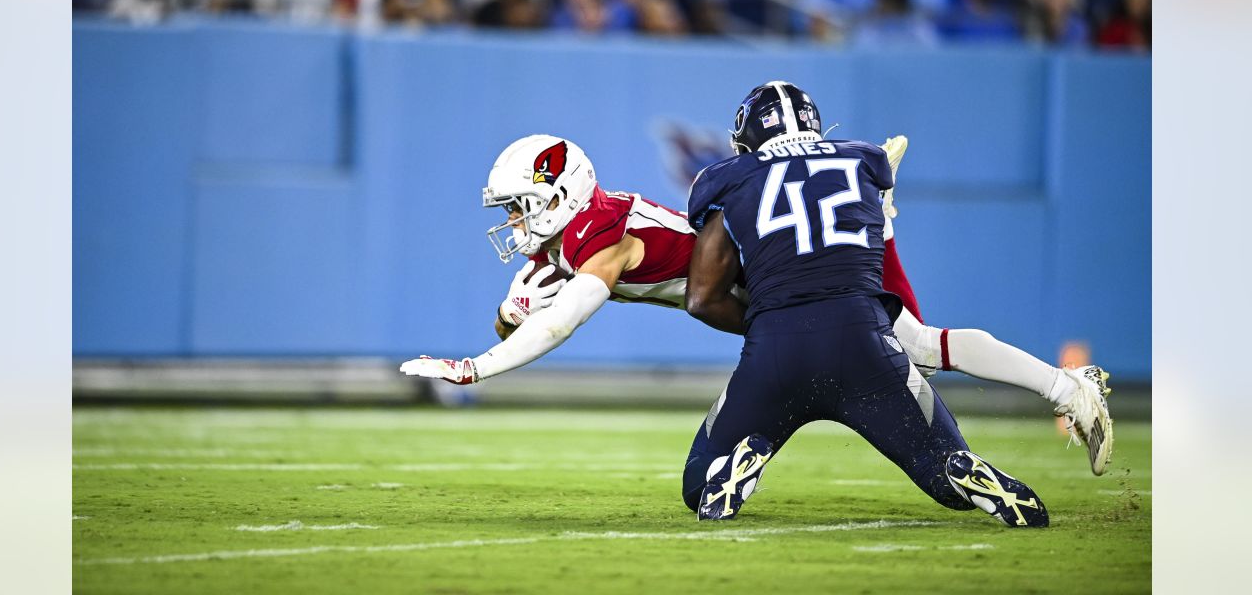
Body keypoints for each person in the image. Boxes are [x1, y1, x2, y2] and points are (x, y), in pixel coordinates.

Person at [399, 123, 1113, 477]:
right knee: (911, 350)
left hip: (784, 277)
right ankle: (1059, 389)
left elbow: (564, 318)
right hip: (772, 284)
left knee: (915, 347)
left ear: (560, 196)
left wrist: (478, 367)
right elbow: (527, 305)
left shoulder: (604, 236)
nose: (516, 224)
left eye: (523, 207)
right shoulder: (573, 235)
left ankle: (1065, 387)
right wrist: (506, 318)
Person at [681, 81, 1046, 525]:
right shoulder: (863, 161)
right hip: (864, 342)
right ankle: (959, 469)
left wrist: (766, 322)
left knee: (699, 483)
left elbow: (700, 299)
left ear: (749, 137)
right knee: (941, 468)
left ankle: (734, 468)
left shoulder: (728, 179)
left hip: (776, 350)